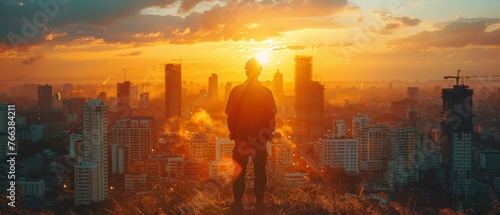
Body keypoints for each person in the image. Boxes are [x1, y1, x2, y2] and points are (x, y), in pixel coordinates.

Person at [225, 58, 277, 212]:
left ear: (246, 71)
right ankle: (258, 202)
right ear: (259, 71)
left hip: (243, 137)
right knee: (259, 170)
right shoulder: (266, 93)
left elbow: (231, 115)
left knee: (240, 169)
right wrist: (268, 134)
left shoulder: (237, 90)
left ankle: (238, 202)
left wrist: (234, 133)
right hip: (257, 138)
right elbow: (271, 117)